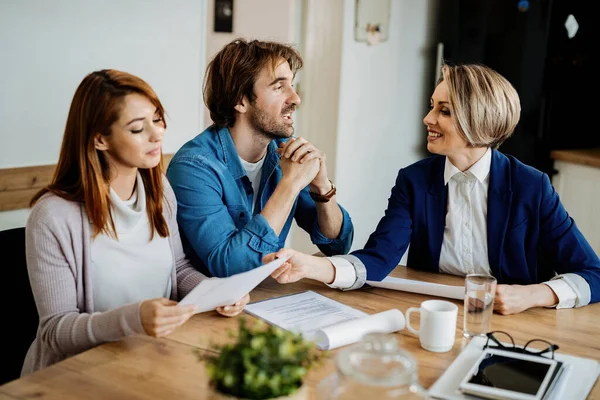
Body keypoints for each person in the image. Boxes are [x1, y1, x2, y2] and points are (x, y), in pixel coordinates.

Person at [265, 64, 600, 315]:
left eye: (444, 111)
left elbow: (593, 274)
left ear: (478, 120)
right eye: (432, 105)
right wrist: (311, 267)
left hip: (517, 324)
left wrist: (534, 295)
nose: (427, 118)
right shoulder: (414, 181)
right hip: (435, 315)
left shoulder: (532, 186)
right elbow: (378, 259)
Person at [23, 70, 249, 375]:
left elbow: (178, 270)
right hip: (76, 377)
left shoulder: (160, 191)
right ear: (100, 139)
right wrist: (133, 318)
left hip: (151, 360)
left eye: (157, 119)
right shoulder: (52, 215)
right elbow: (54, 331)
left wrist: (216, 291)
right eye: (137, 128)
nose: (157, 134)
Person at [166, 39, 354, 278]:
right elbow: (230, 267)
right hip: (208, 308)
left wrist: (322, 188)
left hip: (263, 298)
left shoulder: (284, 152)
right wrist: (290, 184)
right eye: (279, 87)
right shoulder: (193, 167)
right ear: (241, 101)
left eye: (292, 86)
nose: (295, 98)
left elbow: (336, 245)